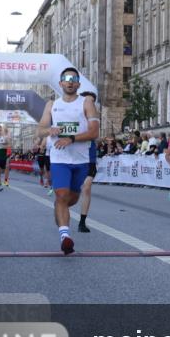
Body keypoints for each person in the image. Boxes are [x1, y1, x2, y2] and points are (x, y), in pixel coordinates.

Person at [37, 67, 101, 255]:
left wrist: (71, 138)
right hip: (59, 159)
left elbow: (94, 132)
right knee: (62, 195)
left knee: (70, 199)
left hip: (81, 160)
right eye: (66, 79)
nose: (70, 82)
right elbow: (39, 130)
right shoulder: (51, 105)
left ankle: (60, 209)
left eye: (73, 79)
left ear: (78, 84)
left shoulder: (87, 102)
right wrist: (49, 131)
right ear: (61, 83)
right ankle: (65, 237)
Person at [77, 92, 100, 233]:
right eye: (87, 101)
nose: (90, 104)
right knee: (71, 192)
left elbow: (95, 134)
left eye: (92, 102)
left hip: (89, 158)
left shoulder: (94, 119)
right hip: (74, 158)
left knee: (86, 188)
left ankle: (82, 222)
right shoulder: (74, 117)